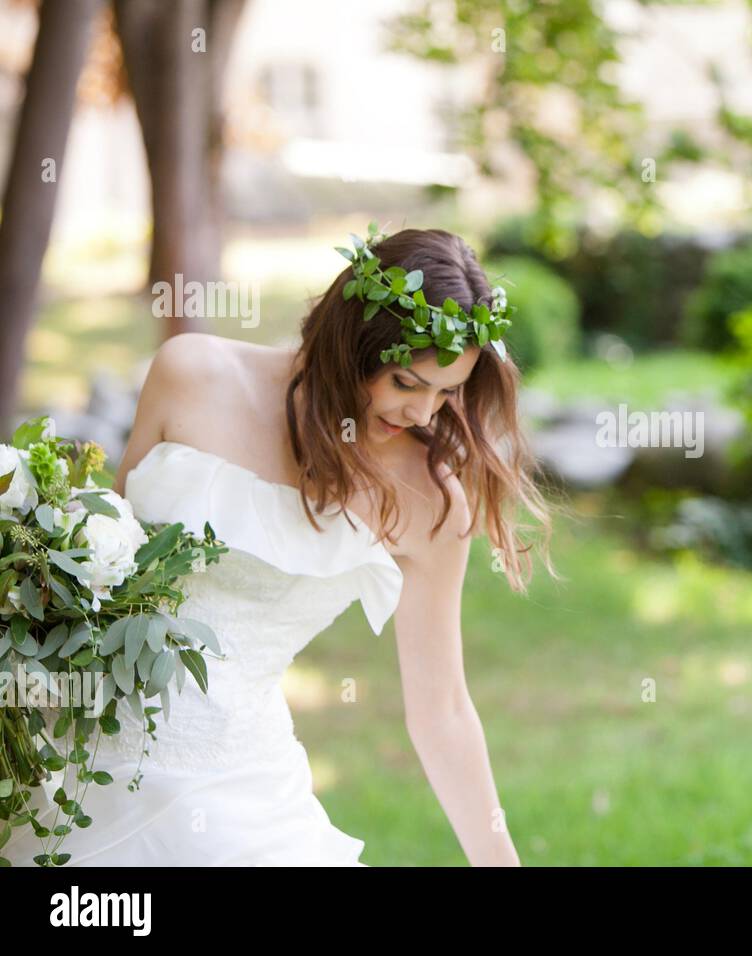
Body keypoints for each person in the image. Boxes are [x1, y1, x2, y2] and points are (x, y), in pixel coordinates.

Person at [7, 226, 553, 866]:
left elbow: (444, 713)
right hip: (77, 762)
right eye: (407, 383)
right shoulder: (191, 375)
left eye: (446, 392)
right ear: (351, 344)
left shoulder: (427, 503)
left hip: (242, 792)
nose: (425, 415)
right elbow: (107, 563)